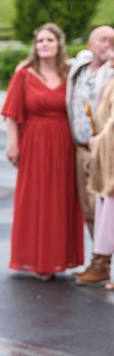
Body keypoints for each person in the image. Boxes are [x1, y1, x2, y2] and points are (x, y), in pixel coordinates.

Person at [2, 23, 84, 280]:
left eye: (50, 40)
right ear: (35, 47)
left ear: (59, 43)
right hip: (34, 142)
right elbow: (12, 114)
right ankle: (39, 261)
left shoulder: (69, 73)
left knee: (61, 200)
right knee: (37, 199)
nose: (44, 44)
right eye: (40, 41)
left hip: (64, 144)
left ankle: (58, 259)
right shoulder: (24, 74)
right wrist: (13, 144)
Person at [65, 26, 113, 244]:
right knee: (89, 208)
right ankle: (100, 263)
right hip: (82, 147)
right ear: (90, 45)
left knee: (106, 208)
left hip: (106, 150)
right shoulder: (80, 68)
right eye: (103, 40)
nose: (108, 44)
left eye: (112, 41)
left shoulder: (111, 72)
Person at [77, 33, 114, 287]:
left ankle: (101, 264)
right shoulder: (85, 68)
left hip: (107, 149)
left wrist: (99, 140)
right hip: (103, 152)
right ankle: (99, 263)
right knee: (101, 207)